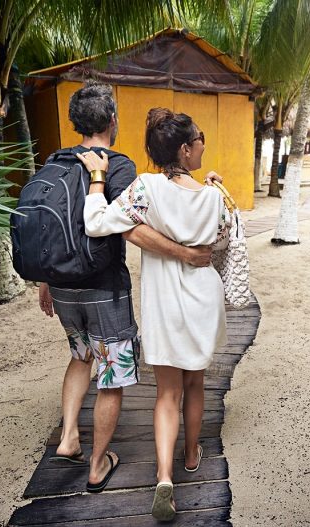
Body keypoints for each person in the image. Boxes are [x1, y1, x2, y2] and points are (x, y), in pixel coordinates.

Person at [38, 85, 214, 494]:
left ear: (74, 123)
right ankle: (98, 464)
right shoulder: (118, 166)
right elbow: (131, 230)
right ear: (113, 120)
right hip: (103, 286)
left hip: (62, 285)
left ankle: (68, 435)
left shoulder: (55, 160)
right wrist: (184, 254)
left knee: (81, 355)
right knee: (111, 375)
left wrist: (46, 278)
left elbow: (50, 223)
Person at [78, 108, 228, 521]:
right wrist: (212, 187)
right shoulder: (213, 196)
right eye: (199, 140)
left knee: (167, 394)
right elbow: (222, 239)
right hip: (202, 300)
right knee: (195, 383)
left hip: (165, 305)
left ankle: (164, 477)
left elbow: (96, 224)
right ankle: (192, 453)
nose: (202, 146)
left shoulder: (145, 189)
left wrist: (97, 181)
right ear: (184, 148)